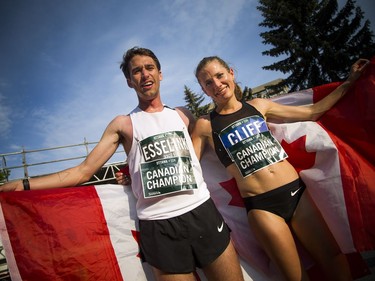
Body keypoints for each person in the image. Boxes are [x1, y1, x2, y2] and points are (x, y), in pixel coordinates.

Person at [0, 47, 244, 281]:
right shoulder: (123, 124)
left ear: (160, 74)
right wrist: (25, 184)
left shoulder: (182, 114)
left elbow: (203, 153)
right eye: (136, 71)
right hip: (159, 227)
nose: (144, 74)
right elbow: (83, 172)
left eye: (149, 67)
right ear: (130, 81)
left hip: (201, 212)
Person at [188, 56, 369, 281]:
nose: (216, 84)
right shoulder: (205, 125)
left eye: (219, 75)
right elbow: (188, 168)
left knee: (333, 259)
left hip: (297, 194)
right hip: (262, 208)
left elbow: (312, 111)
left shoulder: (259, 105)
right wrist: (130, 176)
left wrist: (350, 81)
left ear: (231, 73)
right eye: (207, 82)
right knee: (295, 277)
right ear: (204, 90)